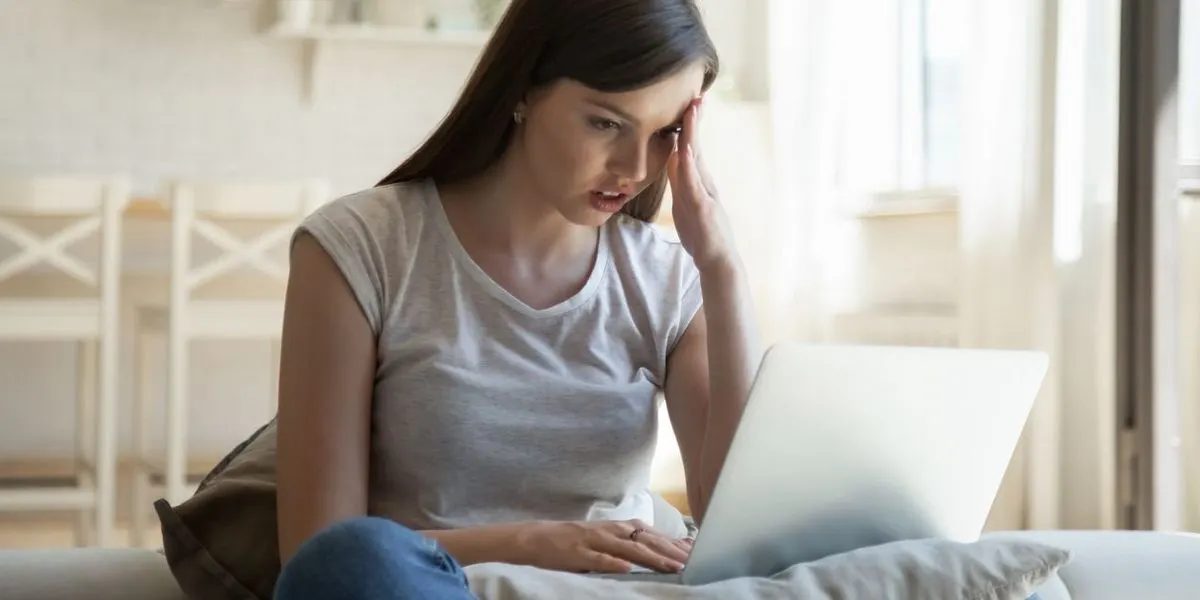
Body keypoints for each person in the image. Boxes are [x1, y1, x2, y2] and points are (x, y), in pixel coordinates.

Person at [218, 0, 759, 598]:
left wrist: (722, 267)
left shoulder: (670, 278)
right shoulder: (360, 246)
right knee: (354, 561)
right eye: (606, 123)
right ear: (522, 91)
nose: (635, 167)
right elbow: (319, 550)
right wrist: (532, 543)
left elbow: (733, 521)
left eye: (665, 134)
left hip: (609, 592)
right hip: (428, 588)